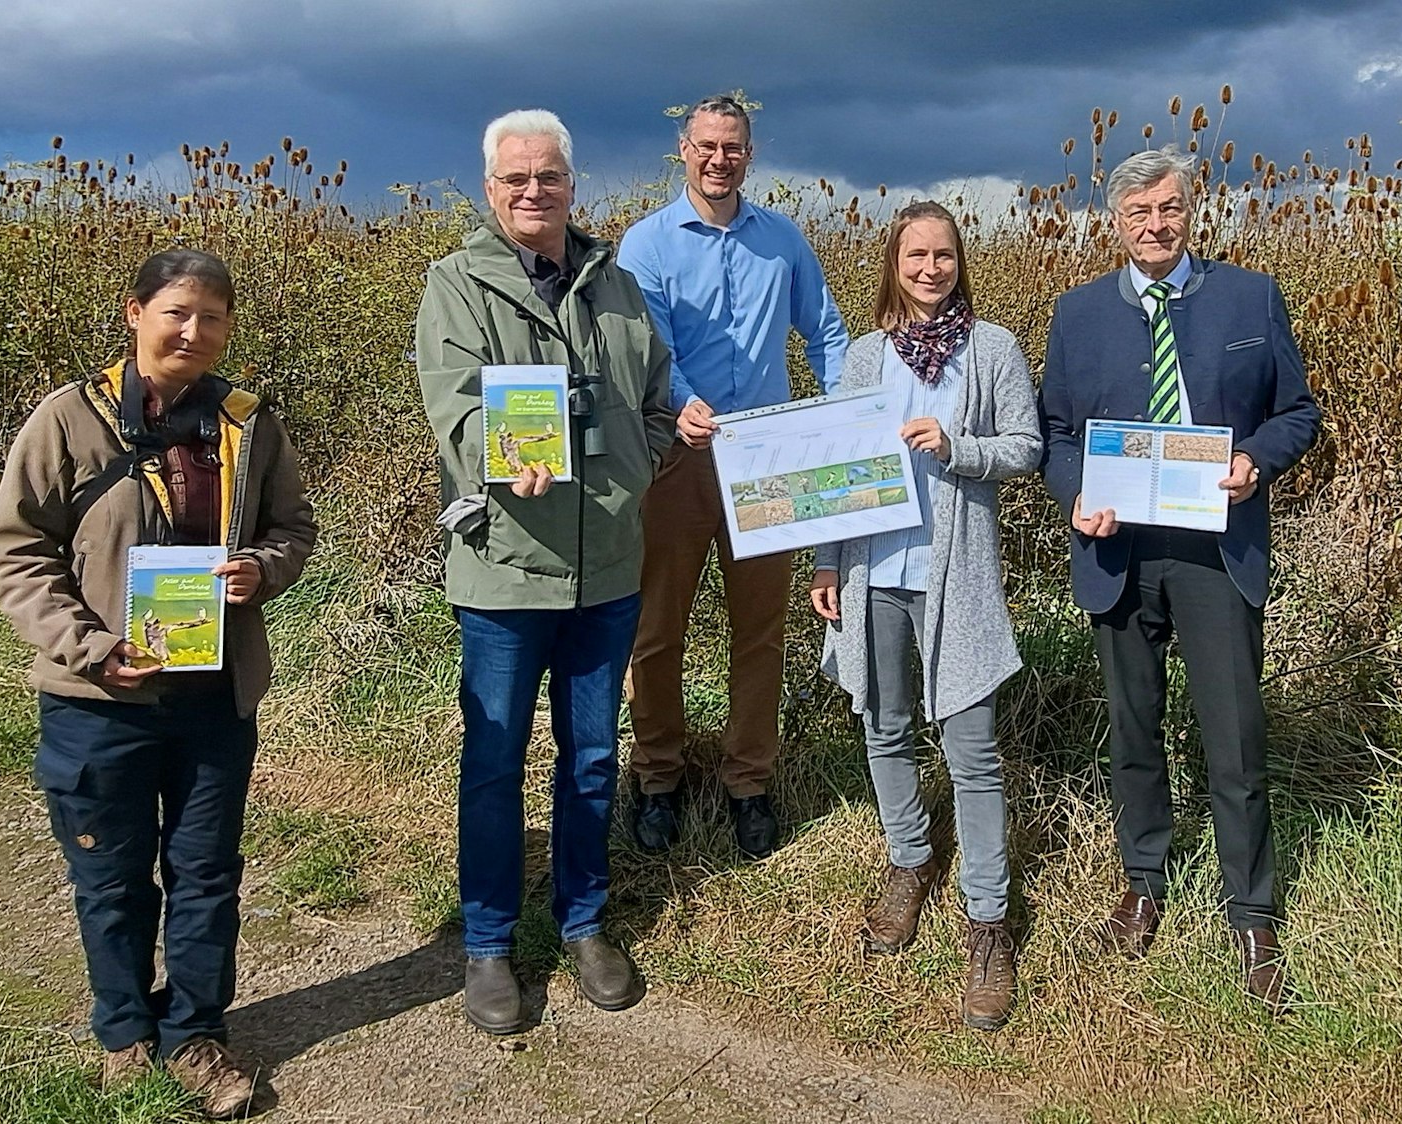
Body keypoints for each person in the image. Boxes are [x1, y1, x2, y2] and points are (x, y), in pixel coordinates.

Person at [0, 248, 317, 1118]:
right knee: (112, 878)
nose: (193, 331)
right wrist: (89, 647)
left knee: (206, 874)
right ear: (134, 313)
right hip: (99, 702)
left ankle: (197, 1037)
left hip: (214, 699)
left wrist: (261, 570)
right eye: (175, 312)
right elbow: (16, 555)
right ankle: (126, 1037)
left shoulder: (248, 421)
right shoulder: (67, 421)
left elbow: (293, 527)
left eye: (212, 318)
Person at [1037, 147, 1320, 1009]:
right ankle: (1143, 881)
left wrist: (1254, 460)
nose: (1154, 227)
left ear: (1190, 210)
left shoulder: (1247, 297)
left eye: (1167, 210)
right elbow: (1054, 433)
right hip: (1119, 553)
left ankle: (1252, 911)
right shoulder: (1077, 313)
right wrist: (1075, 493)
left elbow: (1297, 412)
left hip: (1214, 552)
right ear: (1113, 222)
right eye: (1137, 215)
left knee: (1234, 739)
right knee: (1134, 732)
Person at [415, 108, 675, 1034]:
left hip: (606, 567)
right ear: (490, 190)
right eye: (516, 179)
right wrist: (500, 450)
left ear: (574, 183)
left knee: (593, 758)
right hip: (504, 571)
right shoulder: (455, 286)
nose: (534, 191)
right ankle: (488, 942)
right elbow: (452, 409)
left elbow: (654, 401)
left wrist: (640, 463)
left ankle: (583, 921)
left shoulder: (619, 289)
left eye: (550, 176)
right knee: (492, 763)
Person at [808, 202, 1040, 1030]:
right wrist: (827, 562)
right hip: (875, 574)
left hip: (958, 581)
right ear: (893, 262)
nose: (931, 267)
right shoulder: (865, 357)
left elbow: (1027, 446)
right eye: (916, 254)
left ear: (958, 261)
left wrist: (957, 446)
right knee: (884, 725)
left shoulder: (994, 349)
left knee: (972, 751)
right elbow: (832, 466)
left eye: (943, 254)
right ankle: (909, 860)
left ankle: (986, 919)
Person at [617, 93, 849, 858]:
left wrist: (845, 419)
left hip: (769, 461)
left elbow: (826, 331)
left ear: (750, 154)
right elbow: (646, 350)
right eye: (706, 146)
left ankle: (748, 779)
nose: (719, 159)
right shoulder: (644, 246)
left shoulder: (782, 241)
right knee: (659, 630)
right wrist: (683, 403)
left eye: (734, 148)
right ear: (683, 149)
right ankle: (657, 775)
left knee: (761, 631)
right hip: (676, 459)